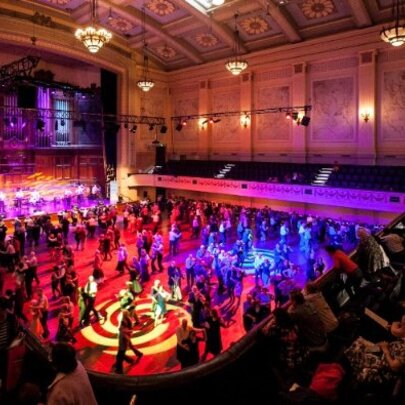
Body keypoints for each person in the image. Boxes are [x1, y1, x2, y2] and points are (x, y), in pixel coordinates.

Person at [344, 315, 405, 387]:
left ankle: (353, 378)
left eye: (401, 325)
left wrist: (386, 350)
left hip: (384, 370)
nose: (400, 325)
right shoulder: (402, 341)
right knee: (359, 342)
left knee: (354, 348)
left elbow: (394, 367)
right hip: (382, 357)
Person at [113, 310, 143, 374]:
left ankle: (119, 369)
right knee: (121, 354)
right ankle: (133, 358)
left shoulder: (124, 322)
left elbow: (124, 330)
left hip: (123, 340)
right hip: (125, 339)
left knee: (120, 355)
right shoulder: (127, 321)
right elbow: (129, 330)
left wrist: (127, 337)